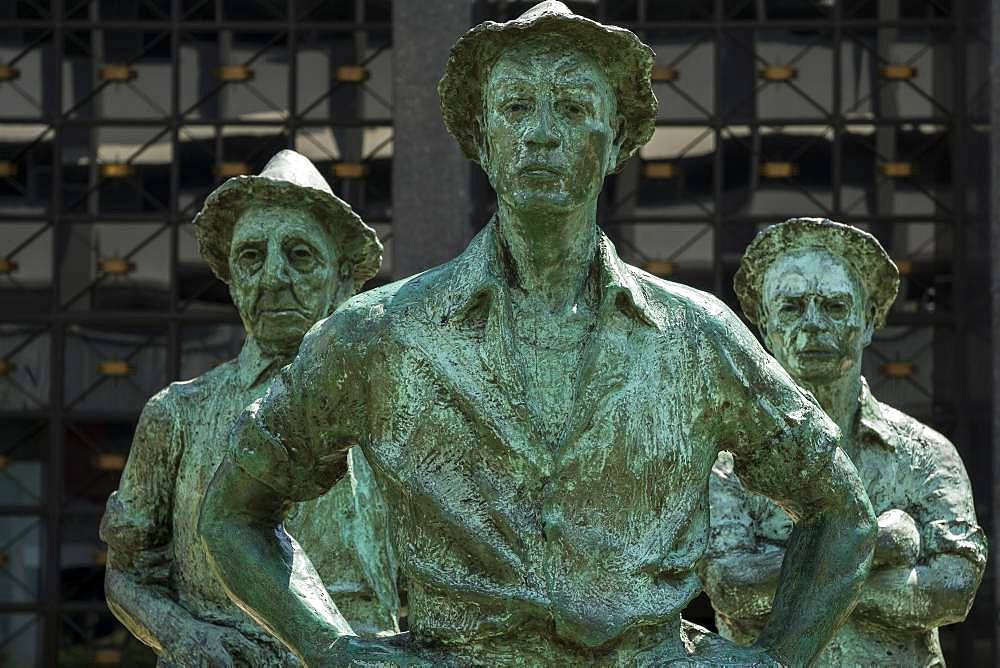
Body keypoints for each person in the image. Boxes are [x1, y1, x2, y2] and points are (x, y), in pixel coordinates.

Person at [199, 4, 876, 665]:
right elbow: (233, 515)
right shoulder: (379, 337)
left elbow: (841, 514)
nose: (542, 133)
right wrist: (329, 648)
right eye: (516, 107)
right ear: (481, 138)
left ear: (618, 142)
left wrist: (777, 660)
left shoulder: (696, 336)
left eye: (574, 108)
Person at [99, 150, 397, 666]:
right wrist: (188, 637)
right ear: (232, 278)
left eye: (300, 255)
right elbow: (126, 573)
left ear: (344, 277)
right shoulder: (178, 415)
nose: (274, 276)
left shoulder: (395, 417)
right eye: (252, 257)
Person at [703, 217, 986, 666]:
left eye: (834, 307)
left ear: (869, 321)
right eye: (792, 307)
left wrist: (804, 575)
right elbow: (732, 589)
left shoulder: (926, 454)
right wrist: (879, 543)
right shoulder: (728, 463)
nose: (813, 324)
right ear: (763, 325)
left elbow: (953, 590)